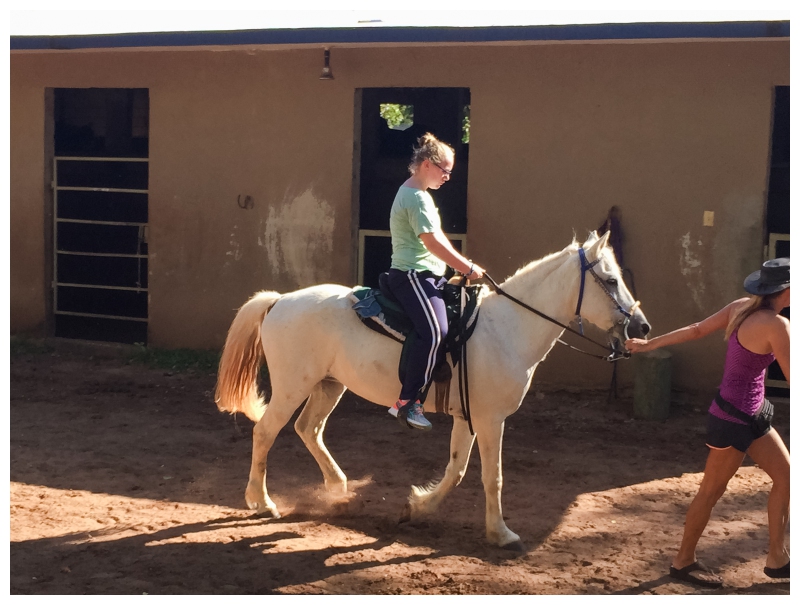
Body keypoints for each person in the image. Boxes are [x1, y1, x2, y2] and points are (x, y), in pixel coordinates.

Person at [625, 257, 790, 587]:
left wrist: (649, 344)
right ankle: (683, 561)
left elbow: (696, 330)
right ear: (786, 290)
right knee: (710, 492)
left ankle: (777, 558)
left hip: (747, 414)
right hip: (735, 420)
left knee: (787, 476)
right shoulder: (776, 326)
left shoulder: (740, 307)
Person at [385, 132, 485, 431]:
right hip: (412, 275)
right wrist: (466, 267)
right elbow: (431, 243)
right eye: (445, 170)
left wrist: (463, 267)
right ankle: (408, 402)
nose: (448, 177)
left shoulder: (422, 196)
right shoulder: (414, 198)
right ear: (427, 164)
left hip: (428, 274)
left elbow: (440, 238)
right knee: (435, 330)